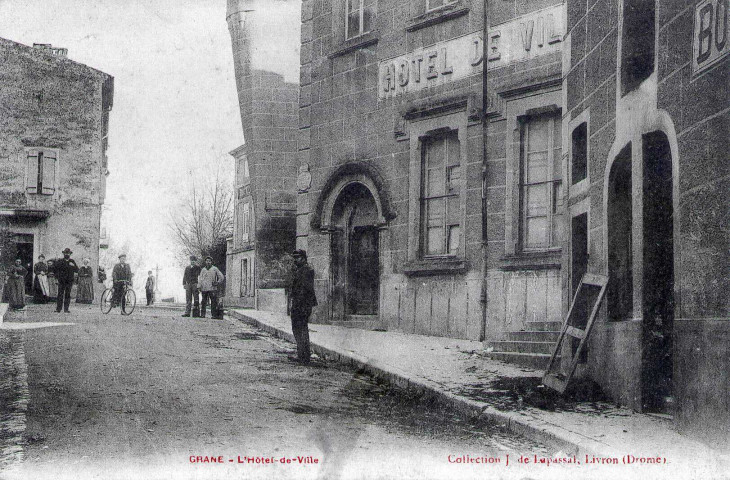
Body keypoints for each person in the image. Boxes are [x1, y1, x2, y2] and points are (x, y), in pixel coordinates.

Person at [286, 249, 317, 364]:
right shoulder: (300, 270)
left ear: (303, 258)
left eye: (297, 258)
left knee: (301, 329)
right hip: (299, 303)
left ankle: (304, 356)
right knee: (298, 329)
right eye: (294, 258)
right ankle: (302, 355)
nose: (295, 260)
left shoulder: (307, 270)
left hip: (302, 304)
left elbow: (304, 290)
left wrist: (299, 304)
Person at [53, 248, 78, 313]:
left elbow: (77, 270)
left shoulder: (72, 261)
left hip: (69, 281)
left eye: (68, 253)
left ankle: (66, 309)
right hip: (61, 281)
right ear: (63, 254)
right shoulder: (60, 261)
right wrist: (56, 278)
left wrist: (73, 266)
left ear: (70, 254)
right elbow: (55, 270)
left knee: (67, 294)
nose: (67, 254)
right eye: (65, 253)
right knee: (60, 294)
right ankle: (58, 309)